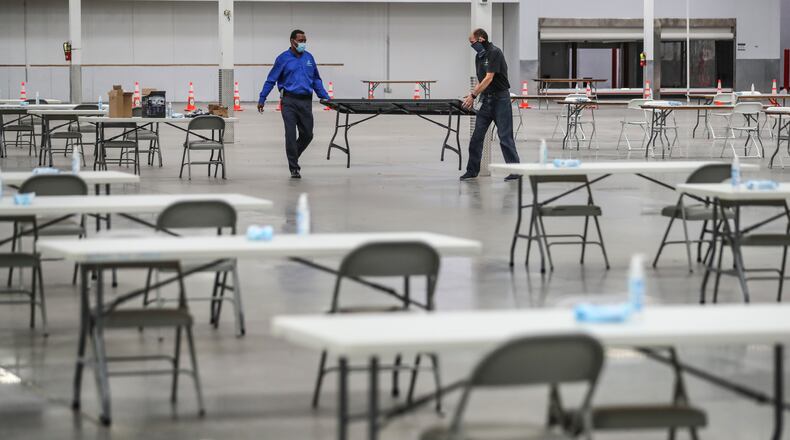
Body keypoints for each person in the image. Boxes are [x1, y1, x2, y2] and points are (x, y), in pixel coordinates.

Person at [258, 29, 330, 179]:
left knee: (308, 135)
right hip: (289, 101)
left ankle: (293, 155)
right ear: (292, 41)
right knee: (290, 135)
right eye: (300, 40)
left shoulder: (309, 58)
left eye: (305, 41)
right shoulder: (283, 59)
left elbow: (316, 79)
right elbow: (271, 79)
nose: (303, 43)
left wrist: (325, 97)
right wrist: (262, 98)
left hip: (306, 101)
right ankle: (294, 168)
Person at [460, 28, 521, 181]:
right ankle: (472, 170)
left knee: (505, 137)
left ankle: (515, 171)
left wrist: (473, 95)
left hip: (500, 100)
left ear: (481, 39)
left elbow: (489, 78)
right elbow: (481, 80)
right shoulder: (478, 57)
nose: (471, 45)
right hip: (486, 101)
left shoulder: (495, 52)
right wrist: (472, 94)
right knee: (476, 137)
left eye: (472, 42)